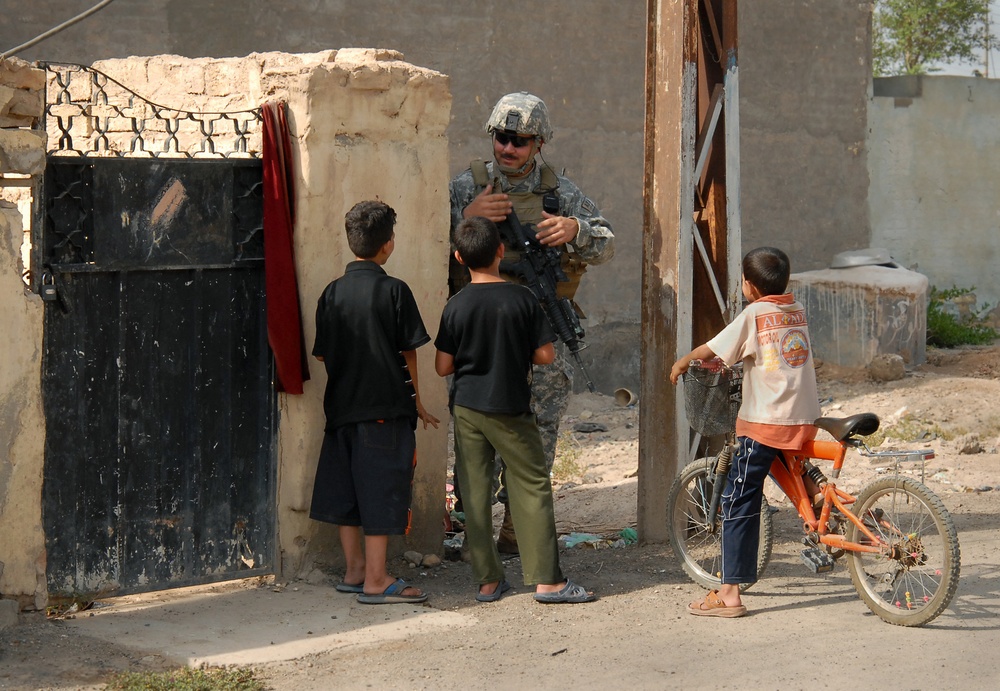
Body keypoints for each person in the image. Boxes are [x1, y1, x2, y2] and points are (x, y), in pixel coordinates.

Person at [448, 92, 615, 553]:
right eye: (502, 137)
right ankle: (475, 528)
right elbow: (424, 246)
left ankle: (515, 529)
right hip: (481, 335)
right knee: (477, 431)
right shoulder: (465, 188)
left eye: (519, 141)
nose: (508, 148)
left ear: (538, 144)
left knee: (539, 430)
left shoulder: (561, 194)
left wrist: (576, 231)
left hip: (540, 332)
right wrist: (466, 220)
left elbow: (606, 243)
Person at [435, 216, 596, 604]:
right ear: (501, 251)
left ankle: (488, 582)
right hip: (509, 405)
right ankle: (548, 582)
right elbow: (545, 355)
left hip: (468, 408)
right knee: (531, 484)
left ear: (459, 258)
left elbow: (443, 366)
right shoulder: (521, 299)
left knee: (474, 490)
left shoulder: (456, 305)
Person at [669, 246, 821, 618]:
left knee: (738, 500)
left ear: (749, 285)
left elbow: (715, 348)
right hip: (802, 416)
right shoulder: (796, 309)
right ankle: (820, 499)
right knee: (794, 467)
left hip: (765, 422)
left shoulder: (754, 314)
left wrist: (684, 360)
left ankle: (729, 595)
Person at [309, 199, 440, 605]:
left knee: (346, 493)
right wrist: (417, 401)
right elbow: (408, 351)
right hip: (385, 411)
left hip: (341, 411)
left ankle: (355, 571)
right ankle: (378, 579)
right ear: (388, 244)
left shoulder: (331, 293)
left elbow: (323, 356)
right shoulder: (394, 290)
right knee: (381, 491)